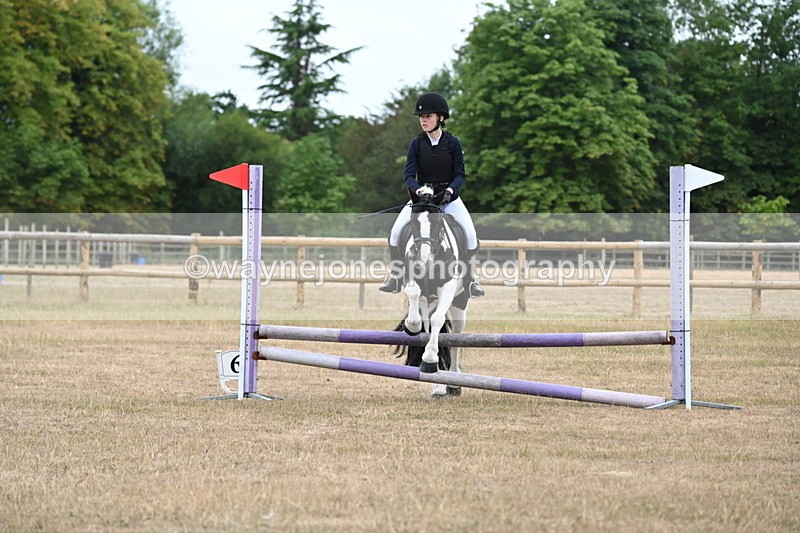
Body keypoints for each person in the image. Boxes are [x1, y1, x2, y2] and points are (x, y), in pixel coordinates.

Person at [379, 92, 485, 298]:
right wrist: (417, 190)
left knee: (471, 236)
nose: (423, 120)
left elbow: (460, 174)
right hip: (422, 199)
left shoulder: (453, 143)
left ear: (440, 118)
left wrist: (451, 190)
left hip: (448, 199)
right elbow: (409, 175)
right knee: (395, 233)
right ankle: (395, 275)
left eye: (428, 116)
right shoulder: (416, 144)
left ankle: (471, 279)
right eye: (421, 117)